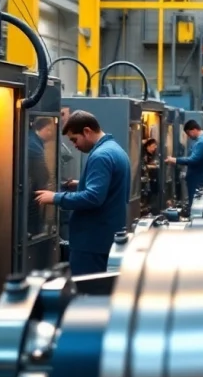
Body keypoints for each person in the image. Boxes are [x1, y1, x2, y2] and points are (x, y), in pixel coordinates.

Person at [34, 110, 131, 276]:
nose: (74, 145)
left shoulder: (100, 156)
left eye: (74, 139)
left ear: (87, 131)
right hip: (106, 239)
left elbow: (93, 198)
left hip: (91, 244)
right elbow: (111, 187)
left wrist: (55, 197)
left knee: (86, 289)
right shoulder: (115, 150)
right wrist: (81, 184)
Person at [166, 120, 203, 214]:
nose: (188, 136)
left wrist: (175, 160)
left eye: (188, 133)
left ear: (194, 130)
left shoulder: (202, 143)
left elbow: (193, 160)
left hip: (197, 181)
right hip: (198, 179)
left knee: (196, 208)